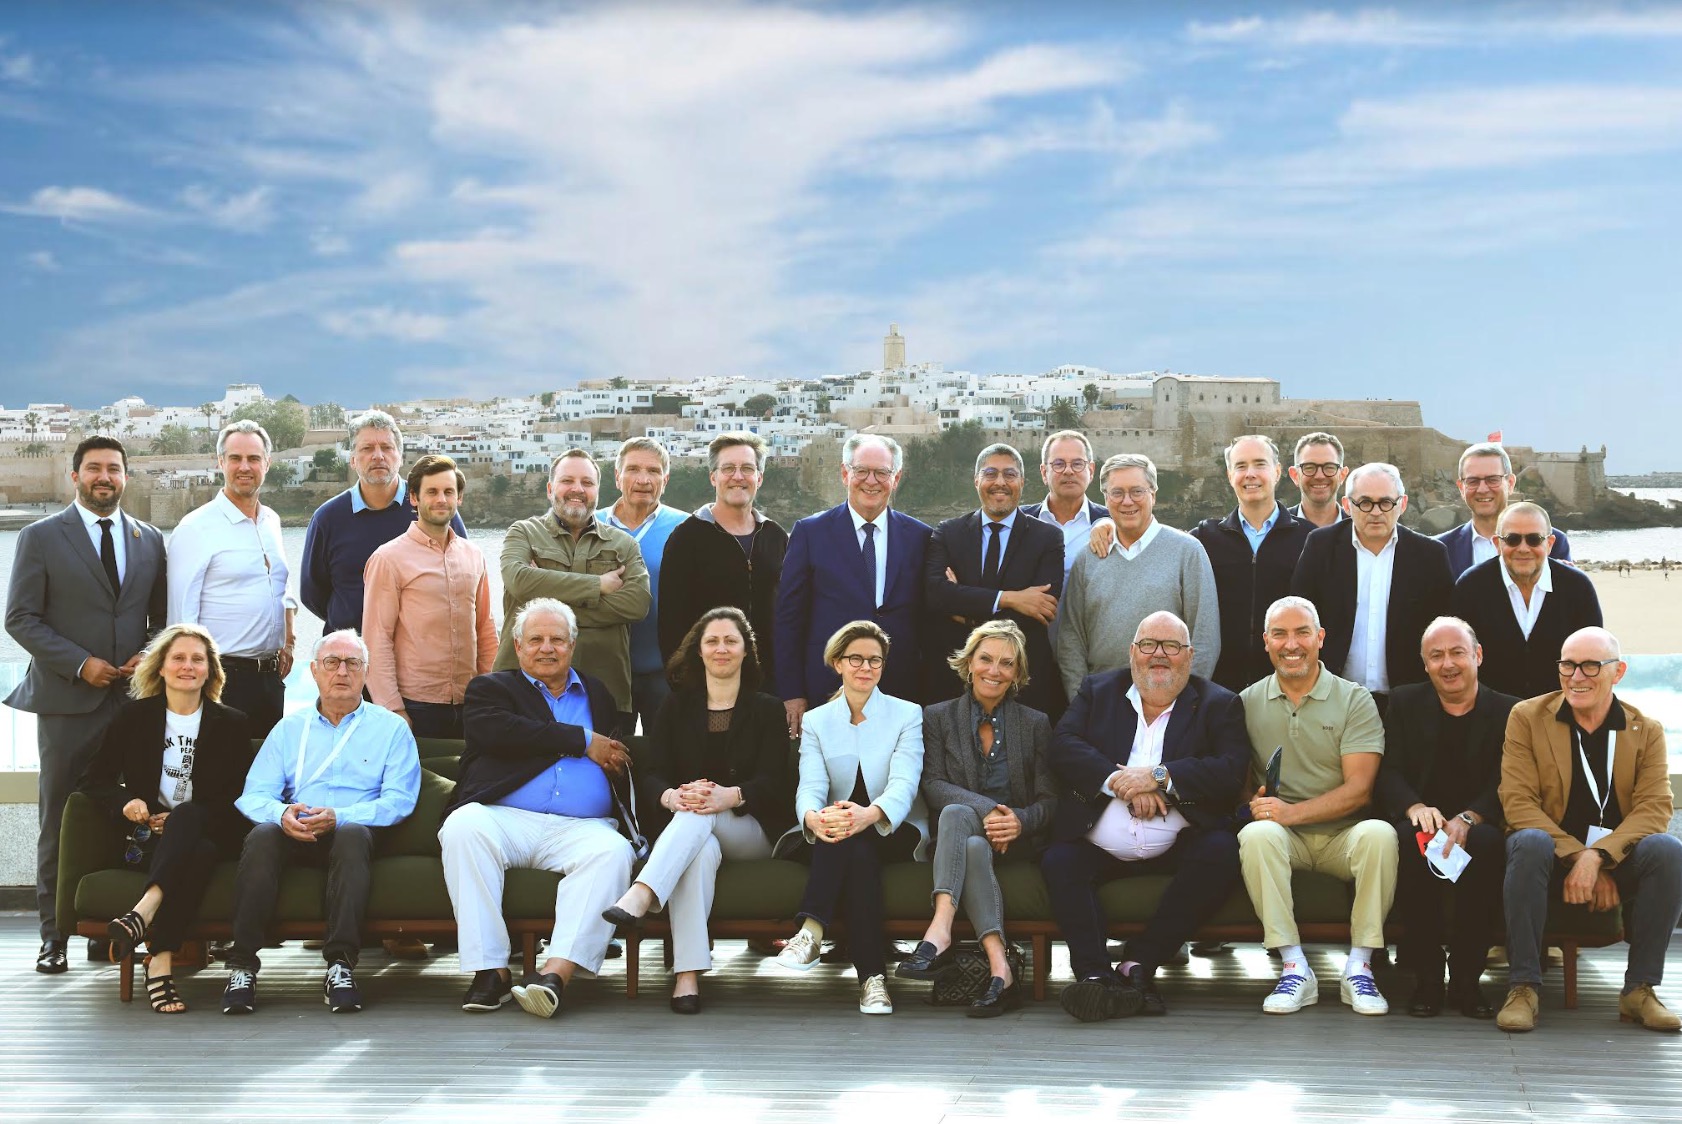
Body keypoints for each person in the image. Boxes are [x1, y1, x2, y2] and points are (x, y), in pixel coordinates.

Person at [5, 435, 167, 973]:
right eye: (94, 468)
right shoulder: (39, 537)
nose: (104, 477)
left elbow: (160, 620)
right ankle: (54, 937)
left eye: (114, 469)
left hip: (132, 703)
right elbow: (20, 619)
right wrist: (81, 663)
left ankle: (107, 932)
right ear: (74, 476)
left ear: (126, 477)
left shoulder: (149, 539)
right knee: (60, 820)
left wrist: (148, 655)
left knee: (130, 817)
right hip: (67, 703)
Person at [1041, 612, 1249, 1020]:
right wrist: (1119, 782)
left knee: (1222, 850)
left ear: (1189, 656)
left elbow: (1230, 770)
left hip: (1179, 844)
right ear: (1132, 651)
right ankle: (1095, 977)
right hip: (1098, 843)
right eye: (1149, 644)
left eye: (1171, 646)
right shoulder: (1098, 690)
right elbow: (1062, 745)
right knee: (1059, 860)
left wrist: (1159, 777)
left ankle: (1139, 965)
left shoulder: (1219, 703)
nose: (1159, 655)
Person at [440, 598, 639, 1019]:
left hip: (580, 827)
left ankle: (554, 976)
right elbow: (501, 732)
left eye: (557, 640)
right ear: (517, 645)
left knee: (614, 852)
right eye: (535, 639)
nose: (546, 648)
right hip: (504, 818)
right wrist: (582, 740)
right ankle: (491, 971)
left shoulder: (598, 693)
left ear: (572, 645)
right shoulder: (492, 689)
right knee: (463, 826)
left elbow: (616, 755)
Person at [600, 607, 790, 1013]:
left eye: (731, 641)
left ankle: (641, 894)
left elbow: (776, 782)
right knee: (698, 846)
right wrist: (671, 797)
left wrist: (731, 795)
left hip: (751, 830)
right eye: (712, 641)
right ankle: (687, 976)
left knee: (698, 811)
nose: (721, 648)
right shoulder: (675, 706)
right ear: (699, 651)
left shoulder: (768, 709)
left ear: (746, 651)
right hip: (693, 832)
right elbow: (653, 773)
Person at [222, 630, 421, 1015]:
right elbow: (254, 795)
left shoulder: (391, 729)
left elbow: (400, 800)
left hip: (355, 832)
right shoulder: (289, 729)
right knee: (262, 835)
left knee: (351, 834)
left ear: (366, 672)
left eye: (352, 663)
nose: (341, 672)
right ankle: (242, 965)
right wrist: (282, 814)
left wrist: (340, 816)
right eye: (332, 662)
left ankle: (340, 966)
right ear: (314, 671)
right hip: (296, 830)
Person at [1496, 626, 1681, 1033]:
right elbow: (1518, 803)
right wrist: (1579, 856)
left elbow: (1655, 809)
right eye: (1568, 665)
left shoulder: (1645, 730)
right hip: (1547, 861)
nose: (1576, 676)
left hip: (1614, 862)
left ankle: (1640, 989)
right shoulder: (1527, 717)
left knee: (1668, 850)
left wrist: (1599, 859)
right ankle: (1523, 987)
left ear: (1618, 672)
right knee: (1528, 840)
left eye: (1591, 666)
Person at [78, 623, 253, 1012]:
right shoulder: (133, 717)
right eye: (179, 658)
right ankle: (160, 960)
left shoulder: (232, 723)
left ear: (210, 670)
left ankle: (143, 911)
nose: (187, 666)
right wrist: (126, 802)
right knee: (200, 853)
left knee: (191, 822)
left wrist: (184, 818)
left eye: (197, 659)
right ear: (160, 667)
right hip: (149, 838)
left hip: (212, 828)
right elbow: (94, 779)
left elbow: (238, 797)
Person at [1238, 596, 1395, 1016]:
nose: (1292, 644)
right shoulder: (1246, 702)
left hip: (1344, 836)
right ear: (1266, 641)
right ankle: (1294, 968)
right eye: (1280, 634)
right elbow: (1237, 783)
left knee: (1380, 834)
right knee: (1256, 835)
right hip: (1282, 837)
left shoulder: (1355, 699)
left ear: (1320, 638)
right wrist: (1252, 801)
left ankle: (1359, 967)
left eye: (1302, 632)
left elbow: (1360, 790)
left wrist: (1290, 812)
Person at [772, 620, 929, 1016]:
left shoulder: (907, 714)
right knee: (854, 850)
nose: (866, 667)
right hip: (834, 832)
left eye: (875, 660)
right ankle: (873, 981)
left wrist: (870, 814)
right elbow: (810, 785)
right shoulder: (817, 720)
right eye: (855, 658)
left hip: (892, 828)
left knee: (854, 838)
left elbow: (904, 783)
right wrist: (812, 817)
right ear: (837, 663)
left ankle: (811, 931)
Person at [900, 620, 1055, 1017]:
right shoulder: (936, 717)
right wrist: (990, 811)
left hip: (1015, 843)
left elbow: (1049, 800)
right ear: (969, 663)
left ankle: (938, 935)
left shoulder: (1035, 723)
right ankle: (1001, 969)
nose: (994, 670)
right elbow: (932, 784)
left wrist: (1018, 821)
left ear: (1017, 673)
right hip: (959, 839)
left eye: (1007, 663)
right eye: (986, 659)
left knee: (960, 819)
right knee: (963, 828)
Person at [1373, 617, 1515, 1019]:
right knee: (1408, 840)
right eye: (1436, 656)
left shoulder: (1508, 710)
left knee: (1487, 846)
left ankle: (1468, 980)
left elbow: (1509, 778)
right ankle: (1428, 978)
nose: (1448, 664)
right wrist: (1414, 807)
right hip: (1422, 818)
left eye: (1457, 653)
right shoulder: (1404, 702)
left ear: (1477, 655)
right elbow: (1388, 770)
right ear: (1425, 664)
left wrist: (1471, 817)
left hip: (1480, 821)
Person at [774, 434, 931, 737]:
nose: (871, 481)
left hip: (901, 690)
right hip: (827, 686)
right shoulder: (810, 533)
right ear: (845, 473)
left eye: (882, 472)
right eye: (862, 471)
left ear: (896, 478)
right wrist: (792, 691)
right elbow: (788, 619)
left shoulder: (920, 537)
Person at [497, 448, 651, 730]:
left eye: (587, 483)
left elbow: (637, 604)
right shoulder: (523, 533)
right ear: (550, 489)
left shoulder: (624, 544)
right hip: (522, 692)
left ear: (597, 491)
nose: (577, 489)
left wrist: (540, 605)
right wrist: (598, 585)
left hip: (605, 693)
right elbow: (519, 580)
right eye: (567, 481)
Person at [167, 420, 296, 738]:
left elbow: (281, 585)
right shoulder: (195, 527)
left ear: (267, 463)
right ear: (220, 462)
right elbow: (181, 617)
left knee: (266, 766)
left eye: (253, 458)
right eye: (235, 458)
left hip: (270, 679)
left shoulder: (271, 521)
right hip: (220, 680)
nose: (244, 467)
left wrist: (289, 641)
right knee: (221, 768)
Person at [1290, 462, 1453, 711]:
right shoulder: (1321, 547)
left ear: (1402, 504)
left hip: (1408, 701)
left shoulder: (1430, 556)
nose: (1376, 512)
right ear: (1347, 505)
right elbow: (1299, 616)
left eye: (1386, 502)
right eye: (1365, 502)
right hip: (1333, 697)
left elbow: (1444, 629)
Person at [1057, 453, 1220, 698]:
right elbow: (1071, 639)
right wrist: (1081, 700)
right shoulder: (1088, 558)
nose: (1127, 501)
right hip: (1101, 700)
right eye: (1117, 493)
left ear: (1153, 494)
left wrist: (1186, 703)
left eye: (1137, 491)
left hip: (1169, 699)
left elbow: (1205, 637)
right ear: (1105, 497)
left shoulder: (1187, 551)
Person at [362, 455, 498, 739]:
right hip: (415, 706)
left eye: (448, 492)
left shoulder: (473, 555)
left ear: (459, 498)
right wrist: (393, 709)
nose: (441, 499)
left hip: (472, 703)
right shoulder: (388, 558)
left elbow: (485, 628)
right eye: (432, 492)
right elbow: (376, 639)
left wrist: (490, 693)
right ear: (414, 498)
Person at [923, 443, 1065, 715]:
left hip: (1023, 681)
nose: (1000, 482)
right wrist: (1010, 599)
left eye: (1009, 474)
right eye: (990, 473)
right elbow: (937, 595)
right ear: (976, 480)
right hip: (953, 680)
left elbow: (1041, 608)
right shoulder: (948, 533)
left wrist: (966, 611)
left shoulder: (1047, 538)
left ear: (1022, 481)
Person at [299, 410, 466, 636]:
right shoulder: (327, 518)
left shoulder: (432, 508)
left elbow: (462, 575)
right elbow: (312, 593)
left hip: (421, 649)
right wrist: (352, 621)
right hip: (352, 651)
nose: (378, 456)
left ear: (400, 456)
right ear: (353, 460)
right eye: (367, 448)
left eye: (386, 447)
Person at [656, 433, 788, 693]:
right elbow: (671, 623)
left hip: (769, 686)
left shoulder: (775, 536)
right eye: (728, 468)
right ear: (713, 477)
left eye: (747, 468)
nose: (738, 476)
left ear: (759, 478)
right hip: (706, 685)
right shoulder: (686, 538)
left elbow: (788, 613)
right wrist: (684, 686)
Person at [1188, 435, 1313, 693]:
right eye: (1241, 466)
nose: (1250, 474)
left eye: (1260, 464)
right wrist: (1106, 524)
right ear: (1229, 475)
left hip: (1288, 687)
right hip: (1220, 688)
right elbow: (1156, 544)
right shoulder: (1204, 538)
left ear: (1277, 472)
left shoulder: (1311, 539)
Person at [1450, 502, 1602, 700]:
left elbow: (1593, 657)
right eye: (1512, 539)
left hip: (1560, 710)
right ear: (1497, 544)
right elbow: (1458, 657)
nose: (1523, 548)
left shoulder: (1577, 587)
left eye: (1534, 539)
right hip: (1491, 713)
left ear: (1550, 544)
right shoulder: (1471, 587)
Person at [596, 436, 688, 730]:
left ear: (666, 479)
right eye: (633, 469)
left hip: (666, 671)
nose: (643, 480)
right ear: (617, 476)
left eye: (653, 471)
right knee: (607, 750)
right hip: (602, 671)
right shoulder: (589, 525)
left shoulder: (688, 528)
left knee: (665, 751)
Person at [1436, 443, 1572, 578]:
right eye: (1473, 481)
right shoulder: (1440, 549)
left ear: (1510, 483)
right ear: (1461, 488)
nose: (1482, 489)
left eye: (1492, 480)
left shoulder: (1549, 541)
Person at [1020, 429, 1107, 582]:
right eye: (1059, 464)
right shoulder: (1018, 522)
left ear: (1091, 471)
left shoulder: (1113, 523)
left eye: (1077, 464)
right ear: (1044, 472)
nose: (1068, 471)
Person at [1286, 432, 1350, 529]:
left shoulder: (1360, 530)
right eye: (1309, 467)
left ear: (1342, 475)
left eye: (1329, 467)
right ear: (1295, 475)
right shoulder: (1274, 529)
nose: (1319, 476)